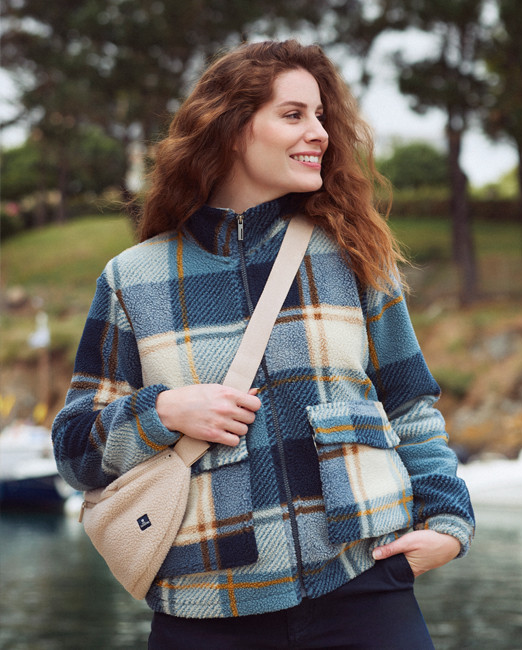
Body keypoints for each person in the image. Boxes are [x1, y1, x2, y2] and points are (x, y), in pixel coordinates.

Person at [52, 39, 474, 649]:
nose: (320, 134)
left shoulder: (355, 257)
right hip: (203, 609)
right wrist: (161, 413)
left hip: (362, 588)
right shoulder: (132, 279)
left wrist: (449, 524)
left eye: (322, 116)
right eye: (294, 114)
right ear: (229, 128)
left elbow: (410, 407)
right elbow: (74, 450)